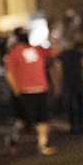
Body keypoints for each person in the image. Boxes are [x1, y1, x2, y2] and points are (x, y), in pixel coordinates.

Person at [5, 27, 56, 155]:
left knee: (43, 119)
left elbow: (53, 51)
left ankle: (42, 144)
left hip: (40, 89)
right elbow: (9, 73)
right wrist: (16, 90)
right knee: (23, 121)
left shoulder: (37, 49)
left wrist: (51, 36)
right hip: (25, 91)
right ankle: (13, 141)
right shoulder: (13, 52)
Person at [56, 32, 83, 134]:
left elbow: (59, 68)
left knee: (69, 103)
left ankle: (72, 125)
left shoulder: (62, 54)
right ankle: (80, 124)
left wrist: (60, 80)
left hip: (68, 81)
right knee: (80, 103)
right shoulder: (79, 53)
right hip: (78, 80)